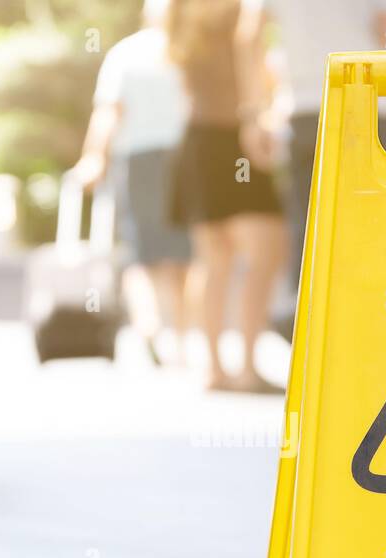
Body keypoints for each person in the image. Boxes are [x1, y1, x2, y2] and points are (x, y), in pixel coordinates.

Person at [167, 0, 287, 392]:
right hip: (236, 137)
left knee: (213, 259)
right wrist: (256, 116)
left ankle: (216, 368)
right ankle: (247, 369)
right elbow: (250, 58)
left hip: (198, 139)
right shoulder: (238, 10)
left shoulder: (176, 14)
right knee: (266, 251)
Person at [72, 0, 192, 366]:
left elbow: (109, 111)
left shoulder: (125, 53)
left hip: (137, 159)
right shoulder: (187, 51)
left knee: (141, 251)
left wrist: (93, 158)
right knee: (184, 253)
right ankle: (182, 339)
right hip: (184, 157)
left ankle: (150, 325)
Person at [266, 0, 386, 290]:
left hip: (306, 110)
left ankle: (313, 321)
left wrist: (255, 111)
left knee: (312, 228)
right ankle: (377, 310)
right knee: (376, 221)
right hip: (367, 101)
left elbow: (252, 32)